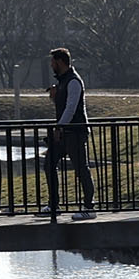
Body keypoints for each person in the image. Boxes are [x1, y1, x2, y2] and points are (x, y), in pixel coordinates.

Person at [45, 47, 93, 219]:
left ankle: (89, 208)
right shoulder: (63, 81)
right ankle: (54, 205)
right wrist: (55, 96)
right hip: (65, 132)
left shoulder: (73, 81)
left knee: (81, 168)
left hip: (75, 132)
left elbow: (71, 108)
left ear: (60, 62)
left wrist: (59, 127)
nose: (51, 65)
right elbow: (63, 106)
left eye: (53, 62)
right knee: (49, 163)